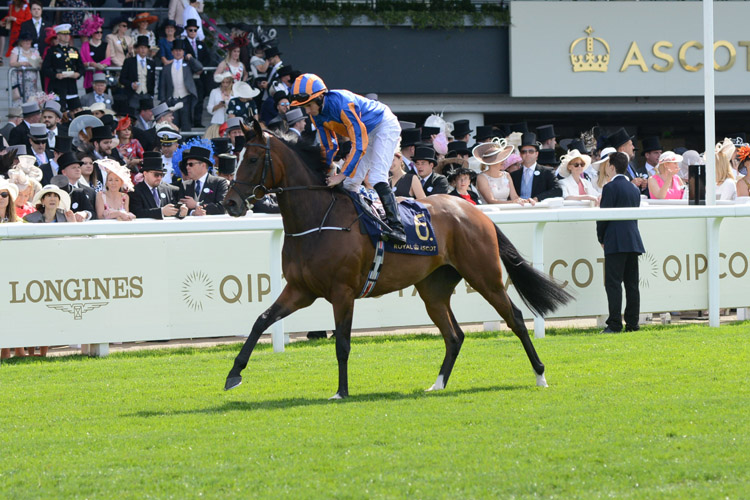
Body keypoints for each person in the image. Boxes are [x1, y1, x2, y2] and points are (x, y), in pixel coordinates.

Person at [290, 73, 406, 242]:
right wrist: (327, 170)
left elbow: (360, 143)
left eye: (308, 105)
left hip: (383, 125)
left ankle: (398, 228)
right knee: (350, 184)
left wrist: (341, 174)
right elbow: (329, 146)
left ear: (320, 97)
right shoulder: (316, 115)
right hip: (365, 134)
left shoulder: (343, 104)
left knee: (376, 177)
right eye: (304, 107)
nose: (307, 111)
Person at [597, 151, 645, 333]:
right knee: (632, 285)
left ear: (611, 167)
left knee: (613, 284)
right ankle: (633, 324)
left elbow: (603, 217)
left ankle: (615, 323)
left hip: (615, 241)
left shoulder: (609, 188)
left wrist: (601, 238)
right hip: (633, 241)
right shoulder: (634, 188)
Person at [159, 38, 203, 132]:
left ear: (183, 52)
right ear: (172, 52)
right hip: (172, 100)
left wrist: (190, 58)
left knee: (186, 125)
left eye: (180, 50)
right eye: (176, 50)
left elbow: (199, 68)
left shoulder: (188, 65)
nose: (178, 52)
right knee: (173, 125)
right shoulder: (167, 67)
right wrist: (163, 100)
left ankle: (186, 145)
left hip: (186, 99)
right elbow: (162, 85)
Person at [129, 151, 187, 219]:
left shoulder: (167, 189)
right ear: (145, 174)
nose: (159, 178)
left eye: (162, 175)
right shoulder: (135, 191)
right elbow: (137, 213)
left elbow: (172, 211)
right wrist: (161, 211)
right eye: (156, 174)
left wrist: (181, 213)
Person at [473, 138, 531, 205]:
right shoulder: (482, 177)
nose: (504, 161)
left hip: (506, 211)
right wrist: (513, 202)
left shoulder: (506, 175)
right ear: (492, 162)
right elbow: (491, 201)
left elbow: (514, 197)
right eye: (500, 159)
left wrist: (525, 201)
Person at [41, 24, 83, 112]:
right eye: (64, 34)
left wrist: (78, 74)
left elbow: (81, 67)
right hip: (57, 85)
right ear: (58, 36)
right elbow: (45, 68)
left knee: (75, 110)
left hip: (71, 85)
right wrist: (56, 75)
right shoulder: (52, 51)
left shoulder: (74, 50)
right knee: (58, 110)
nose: (67, 36)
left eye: (68, 34)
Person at [510, 132, 562, 202]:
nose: (527, 154)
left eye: (531, 151)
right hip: (519, 208)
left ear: (536, 154)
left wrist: (537, 198)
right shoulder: (514, 175)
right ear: (520, 154)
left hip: (538, 208)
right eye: (524, 152)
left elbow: (557, 190)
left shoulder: (547, 172)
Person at [178, 145, 228, 215]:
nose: (187, 167)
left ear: (203, 165)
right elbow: (179, 208)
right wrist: (193, 213)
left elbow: (222, 207)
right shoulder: (185, 185)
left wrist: (197, 204)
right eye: (187, 164)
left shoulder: (219, 182)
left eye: (191, 164)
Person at [119, 35, 156, 114]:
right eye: (141, 47)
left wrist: (151, 94)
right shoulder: (129, 62)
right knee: (134, 117)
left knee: (147, 117)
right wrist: (131, 84)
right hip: (133, 95)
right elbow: (122, 79)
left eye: (145, 47)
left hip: (146, 95)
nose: (143, 50)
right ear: (137, 49)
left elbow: (152, 80)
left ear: (148, 49)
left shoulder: (151, 63)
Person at [79, 15, 109, 93]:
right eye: (97, 32)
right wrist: (92, 64)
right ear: (92, 33)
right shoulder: (85, 45)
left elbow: (108, 60)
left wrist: (102, 66)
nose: (99, 34)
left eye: (101, 32)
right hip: (90, 75)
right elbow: (82, 61)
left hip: (102, 75)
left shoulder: (106, 45)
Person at [9, 31, 40, 106]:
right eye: (26, 40)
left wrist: (35, 63)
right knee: (19, 101)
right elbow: (12, 63)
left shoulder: (34, 51)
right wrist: (23, 63)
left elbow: (39, 62)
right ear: (21, 42)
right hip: (19, 81)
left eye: (29, 40)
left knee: (31, 100)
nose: (28, 42)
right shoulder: (17, 50)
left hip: (32, 82)